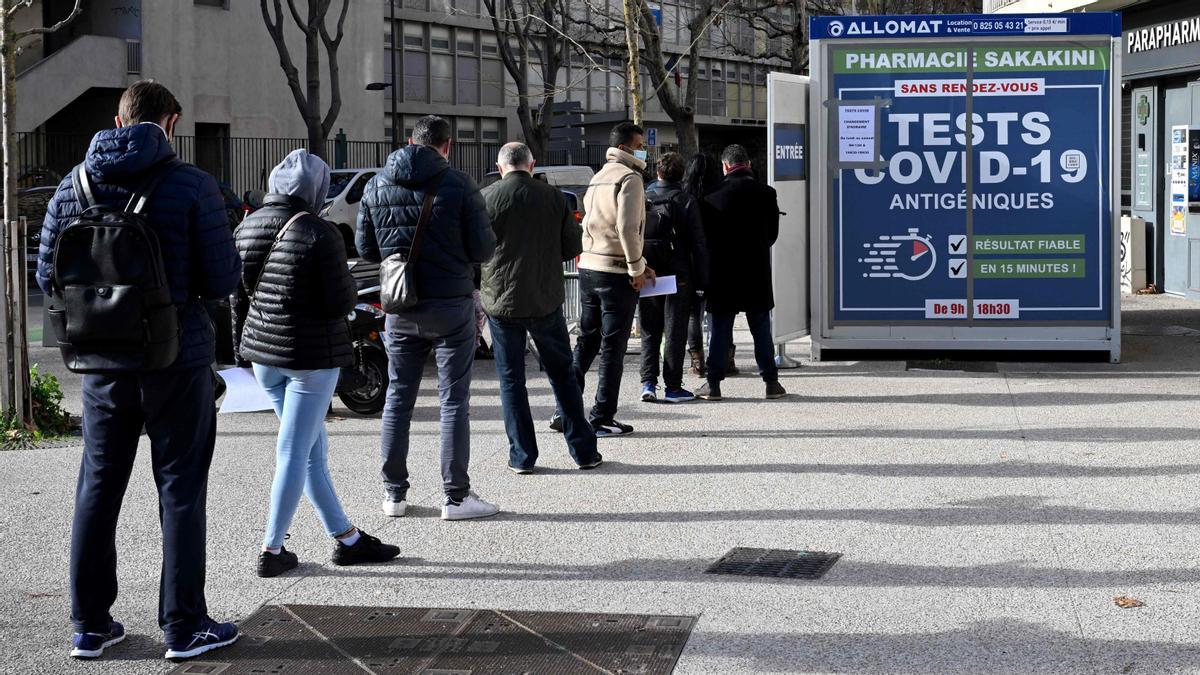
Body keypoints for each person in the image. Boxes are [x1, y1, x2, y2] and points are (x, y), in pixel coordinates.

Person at [36, 80, 242, 661]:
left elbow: (49, 278)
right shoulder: (193, 186)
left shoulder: (72, 188)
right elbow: (223, 280)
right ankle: (183, 625)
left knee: (98, 487)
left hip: (100, 362)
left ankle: (90, 625)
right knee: (179, 488)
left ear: (118, 119)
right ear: (171, 122)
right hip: (177, 357)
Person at [233, 149, 401, 579]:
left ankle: (346, 538)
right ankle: (271, 549)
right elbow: (342, 301)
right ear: (317, 189)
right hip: (310, 357)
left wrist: (241, 349)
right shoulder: (320, 232)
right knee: (295, 451)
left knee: (309, 451)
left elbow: (238, 295)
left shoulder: (246, 226)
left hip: (264, 355)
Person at [357, 115, 500, 521]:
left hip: (399, 305)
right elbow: (483, 249)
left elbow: (367, 249)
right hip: (451, 303)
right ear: (447, 146)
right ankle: (456, 496)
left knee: (398, 397)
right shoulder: (458, 185)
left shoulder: (376, 184)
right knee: (453, 400)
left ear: (409, 142)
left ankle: (394, 494)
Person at [480, 142, 603, 473]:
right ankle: (584, 452)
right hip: (545, 298)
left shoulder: (486, 198)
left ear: (500, 165)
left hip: (501, 300)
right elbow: (571, 247)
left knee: (511, 380)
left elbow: (475, 249)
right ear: (531, 165)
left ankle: (522, 456)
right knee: (562, 374)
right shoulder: (553, 197)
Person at [564, 121, 656, 436]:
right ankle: (602, 415)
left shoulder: (598, 177)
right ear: (630, 147)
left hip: (589, 266)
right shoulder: (630, 178)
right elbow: (628, 229)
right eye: (642, 143)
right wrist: (636, 269)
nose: (646, 149)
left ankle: (565, 410)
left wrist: (641, 265)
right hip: (616, 270)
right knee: (613, 348)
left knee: (586, 342)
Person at [697, 144, 786, 402]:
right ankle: (771, 382)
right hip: (755, 270)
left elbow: (706, 238)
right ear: (748, 163)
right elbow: (772, 236)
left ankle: (713, 383)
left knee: (721, 328)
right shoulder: (766, 193)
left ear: (725, 166)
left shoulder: (711, 195)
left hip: (722, 272)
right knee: (760, 328)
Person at [638, 152, 709, 403]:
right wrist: (702, 281)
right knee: (675, 331)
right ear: (682, 174)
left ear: (658, 173)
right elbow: (698, 244)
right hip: (678, 275)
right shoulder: (686, 201)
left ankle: (647, 383)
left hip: (647, 272)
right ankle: (673, 387)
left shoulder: (644, 197)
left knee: (649, 330)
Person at [682, 153, 728, 379]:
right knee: (720, 311)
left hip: (691, 263)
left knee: (693, 314)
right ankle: (725, 357)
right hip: (719, 260)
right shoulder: (720, 196)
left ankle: (697, 362)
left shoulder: (686, 198)